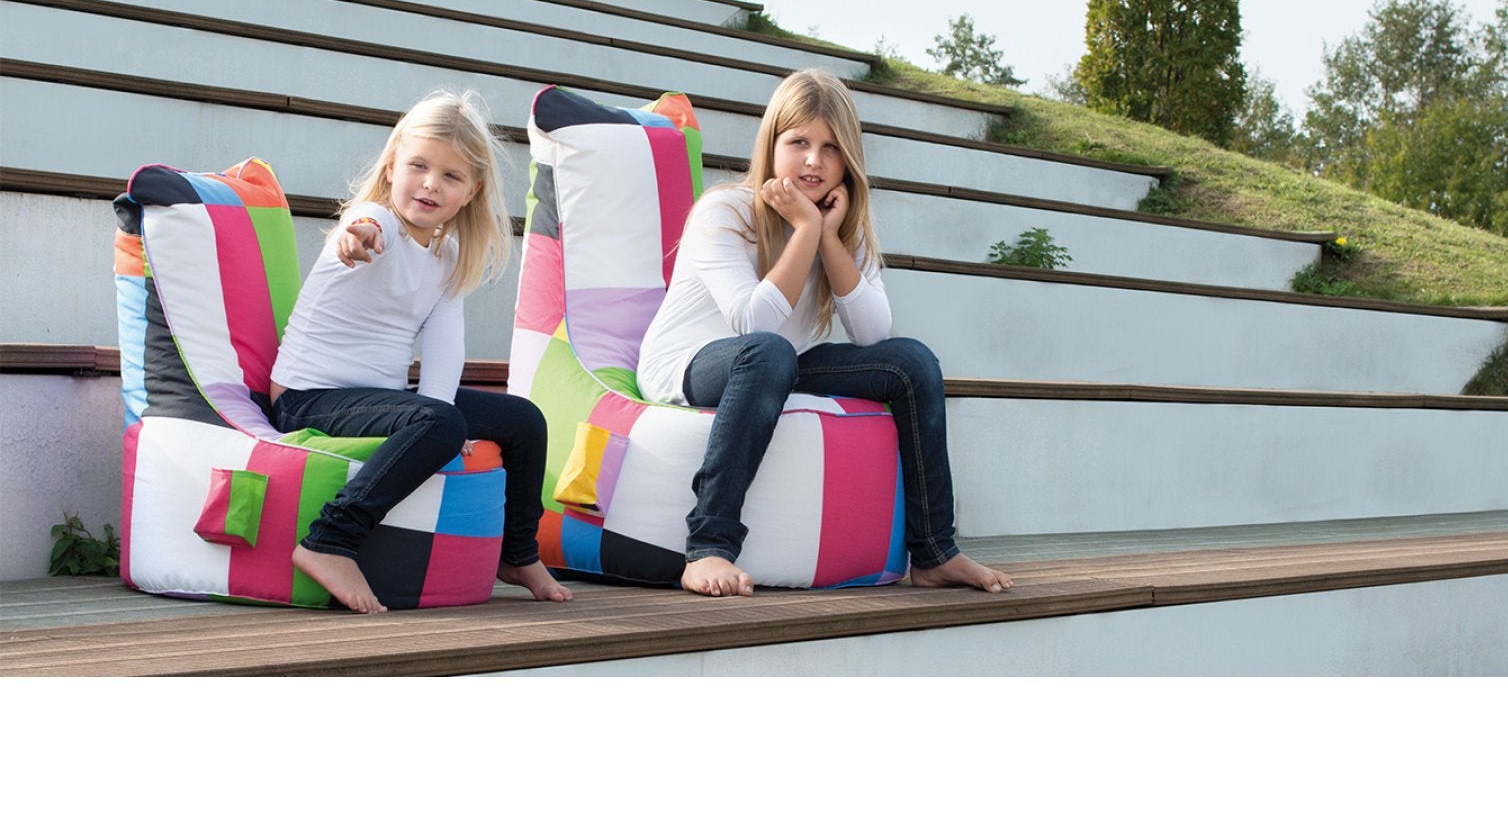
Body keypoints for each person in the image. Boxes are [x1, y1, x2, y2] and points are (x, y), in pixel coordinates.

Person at [636, 67, 1012, 598]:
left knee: (912, 363)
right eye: (799, 142)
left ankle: (934, 551)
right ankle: (708, 546)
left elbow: (873, 333)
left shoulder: (843, 228)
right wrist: (806, 230)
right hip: (689, 363)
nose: (814, 160)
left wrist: (829, 238)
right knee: (767, 351)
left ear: (848, 160)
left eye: (831, 148)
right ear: (772, 144)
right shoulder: (725, 212)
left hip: (779, 363)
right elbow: (753, 322)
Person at [269, 90, 571, 614]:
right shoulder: (377, 223)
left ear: (471, 192)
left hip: (379, 395)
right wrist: (354, 236)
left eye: (451, 176)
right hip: (308, 396)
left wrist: (442, 419)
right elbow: (361, 226)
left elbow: (444, 346)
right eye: (418, 166)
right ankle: (330, 540)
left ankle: (518, 552)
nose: (431, 183)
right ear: (392, 167)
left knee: (522, 420)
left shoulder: (447, 254)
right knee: (439, 421)